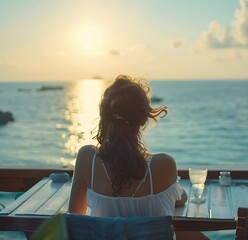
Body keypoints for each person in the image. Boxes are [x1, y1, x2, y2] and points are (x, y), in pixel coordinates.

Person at [69, 75, 207, 239]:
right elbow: (181, 199)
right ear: (143, 121)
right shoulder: (165, 164)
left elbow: (74, 218)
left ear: (103, 117)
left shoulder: (87, 158)